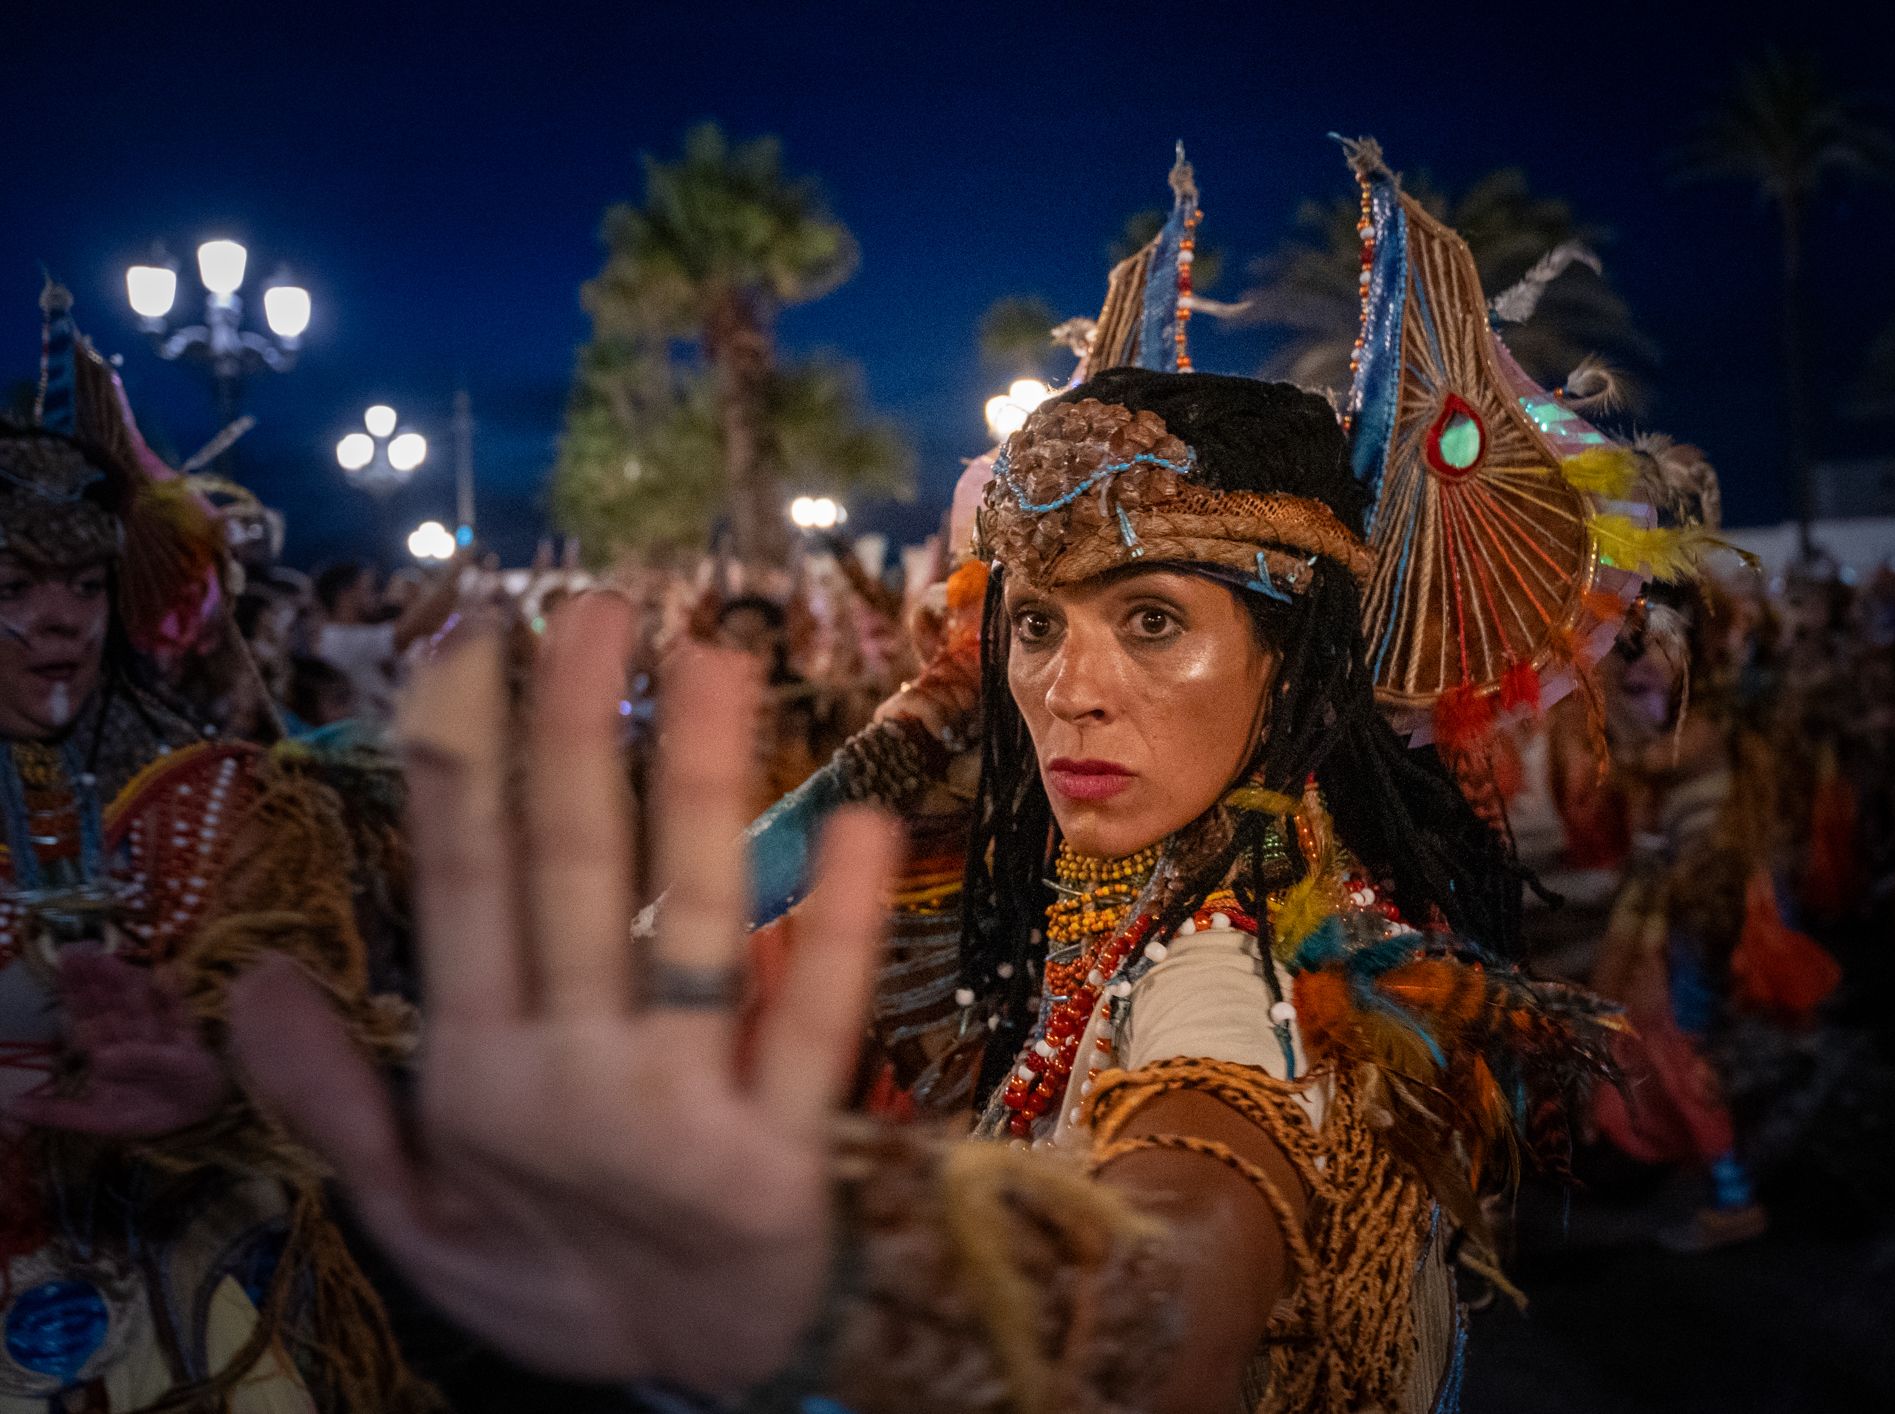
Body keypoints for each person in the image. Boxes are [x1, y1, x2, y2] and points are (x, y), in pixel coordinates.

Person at [225, 144, 1706, 1413]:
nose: (1070, 682)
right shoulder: (1179, 891)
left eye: (1152, 621)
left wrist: (838, 1295)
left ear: (1296, 666)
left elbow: (1176, 1250)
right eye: (1041, 624)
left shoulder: (1244, 971)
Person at [1, 286, 431, 1410]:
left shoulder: (213, 800)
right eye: (15, 588)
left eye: (85, 586)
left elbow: (313, 1018)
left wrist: (218, 1083)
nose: (57, 618)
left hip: (186, 1290)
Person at [311, 559, 459, 721]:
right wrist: (456, 567)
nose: (377, 596)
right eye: (368, 589)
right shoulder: (340, 639)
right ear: (346, 595)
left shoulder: (353, 634)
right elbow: (415, 628)